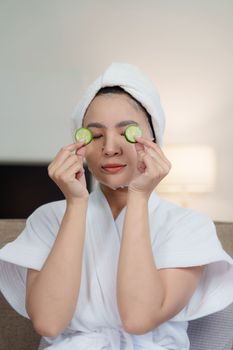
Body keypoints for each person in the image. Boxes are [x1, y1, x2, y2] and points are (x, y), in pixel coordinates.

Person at [0, 62, 233, 350]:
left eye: (128, 132)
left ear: (154, 140)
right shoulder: (48, 219)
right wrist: (75, 203)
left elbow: (138, 318)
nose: (109, 147)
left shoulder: (188, 226)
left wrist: (138, 196)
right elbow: (49, 322)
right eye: (95, 135)